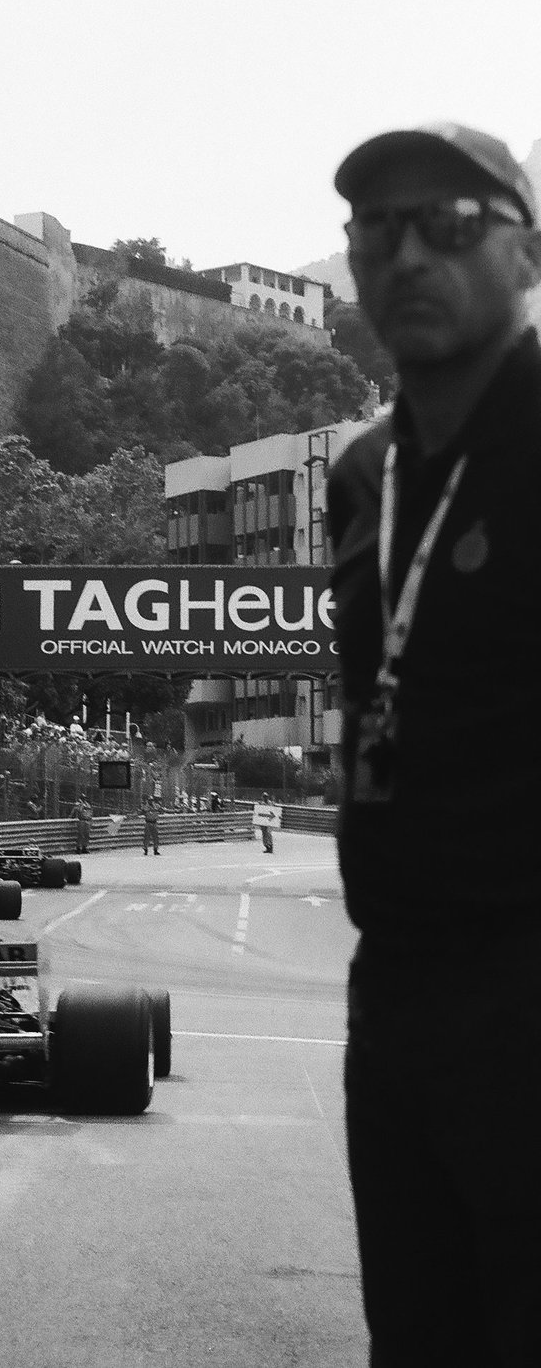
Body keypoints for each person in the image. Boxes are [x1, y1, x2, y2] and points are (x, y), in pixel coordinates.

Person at [328, 122, 541, 1367]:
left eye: (449, 223)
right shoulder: (364, 478)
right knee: (415, 1334)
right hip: (397, 989)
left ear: (524, 251)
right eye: (378, 227)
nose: (408, 252)